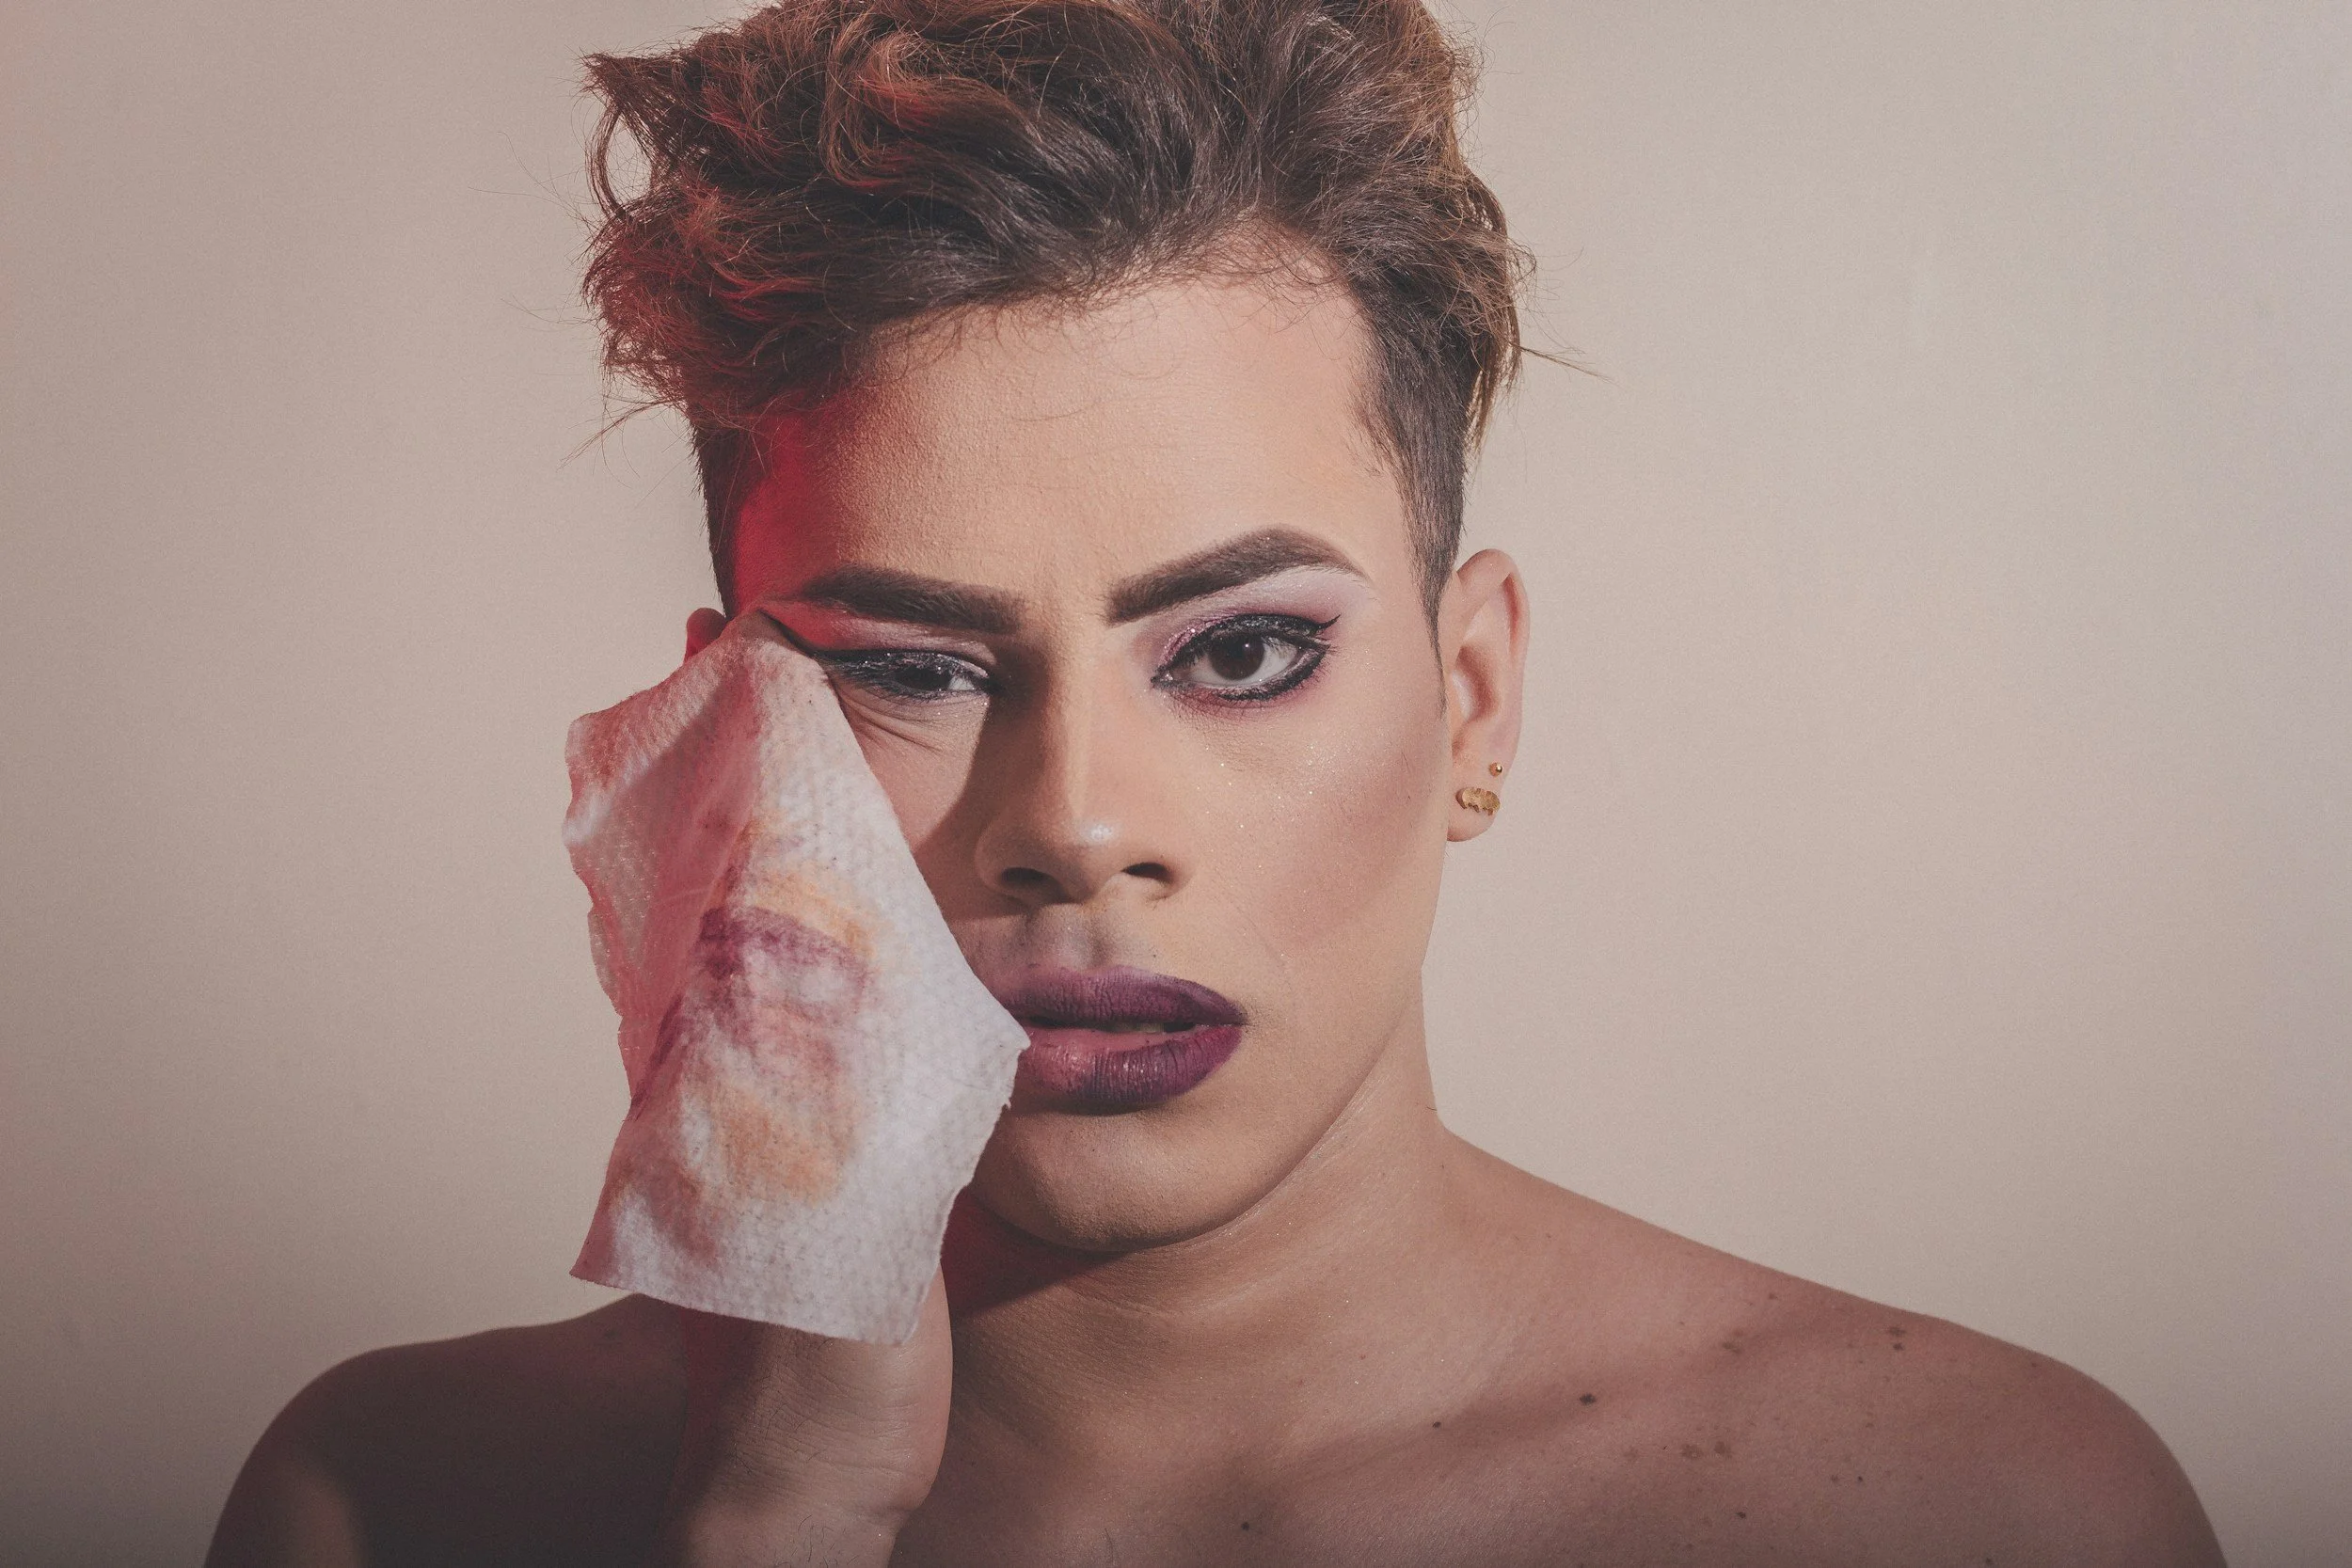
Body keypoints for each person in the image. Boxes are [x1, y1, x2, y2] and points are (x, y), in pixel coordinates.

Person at [204, 2, 2226, 1563]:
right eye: (912, 666)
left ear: (1475, 698)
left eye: (1242, 651)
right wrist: (768, 1525)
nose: (1077, 820)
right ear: (713, 760)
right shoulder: (397, 1501)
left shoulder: (1960, 1507)